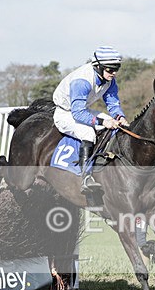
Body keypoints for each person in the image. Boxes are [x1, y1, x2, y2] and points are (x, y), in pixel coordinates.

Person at [52, 45, 130, 193]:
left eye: (116, 69)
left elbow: (113, 103)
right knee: (88, 133)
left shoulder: (109, 80)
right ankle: (85, 177)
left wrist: (120, 117)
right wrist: (103, 122)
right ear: (98, 67)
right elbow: (78, 114)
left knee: (116, 127)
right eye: (110, 69)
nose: (113, 73)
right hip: (65, 114)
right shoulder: (82, 81)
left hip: (82, 110)